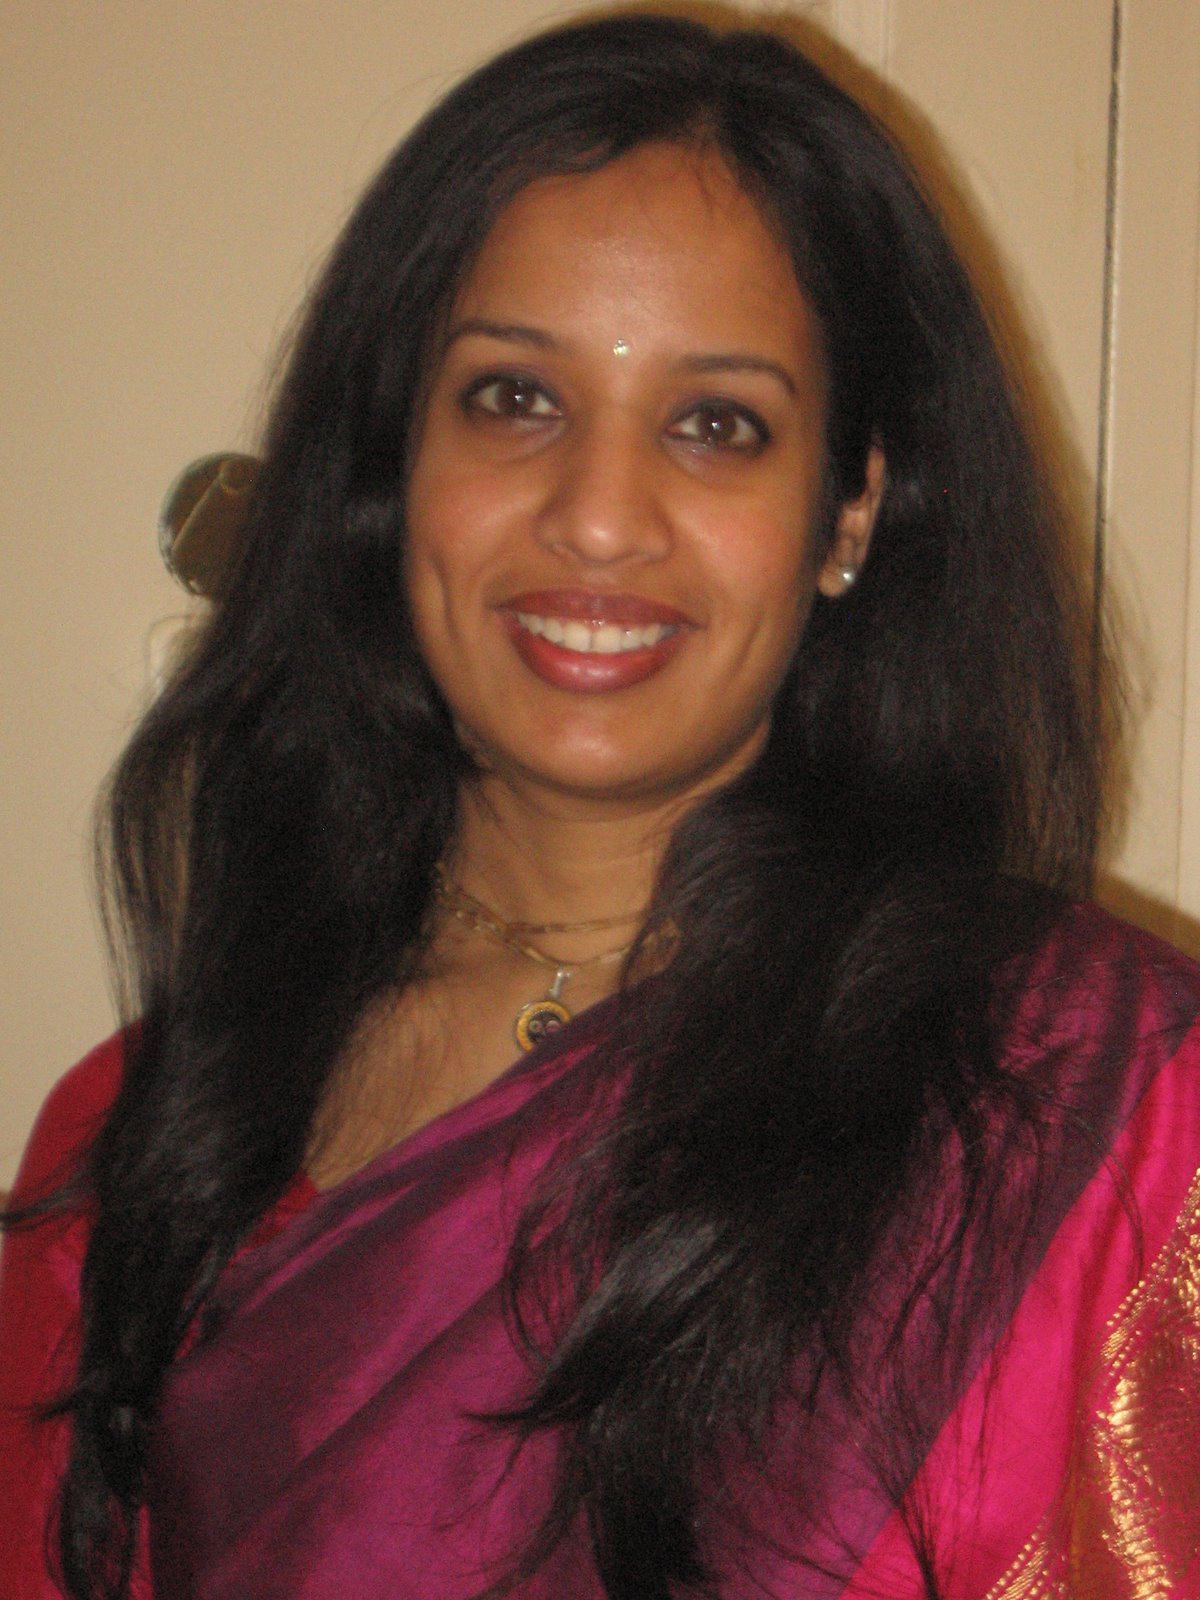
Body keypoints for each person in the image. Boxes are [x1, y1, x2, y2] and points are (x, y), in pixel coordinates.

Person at [2, 11, 1198, 1599]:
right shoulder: (152, 1131)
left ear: (849, 510)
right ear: (393, 465)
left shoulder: (1093, 1113)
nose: (598, 516)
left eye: (717, 424)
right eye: (513, 398)